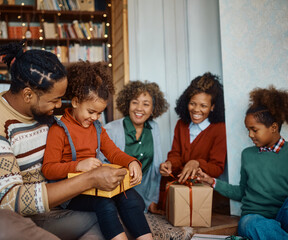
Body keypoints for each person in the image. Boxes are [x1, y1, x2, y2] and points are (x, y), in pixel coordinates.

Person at [0, 41, 128, 240]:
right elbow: (9, 201)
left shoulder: (48, 118)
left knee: (107, 222)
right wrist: (90, 178)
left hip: (47, 213)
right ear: (28, 95)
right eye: (54, 100)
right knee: (1, 226)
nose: (60, 104)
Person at [42, 61, 153, 240]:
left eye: (99, 113)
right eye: (91, 112)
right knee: (104, 202)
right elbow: (48, 169)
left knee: (129, 196)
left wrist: (132, 162)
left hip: (94, 184)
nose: (95, 118)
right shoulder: (59, 129)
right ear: (76, 101)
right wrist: (78, 165)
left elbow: (114, 153)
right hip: (70, 192)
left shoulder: (97, 127)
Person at [197, 86, 288, 240]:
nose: (250, 134)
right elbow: (241, 192)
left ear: (273, 128)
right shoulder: (248, 154)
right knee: (253, 225)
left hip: (282, 215)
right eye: (248, 129)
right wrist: (212, 182)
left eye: (254, 129)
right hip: (254, 217)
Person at [99, 80, 169, 214]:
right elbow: (100, 166)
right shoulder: (111, 129)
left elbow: (155, 170)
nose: (139, 108)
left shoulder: (154, 128)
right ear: (127, 104)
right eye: (135, 102)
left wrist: (151, 201)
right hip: (116, 196)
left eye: (146, 104)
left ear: (153, 108)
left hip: (144, 199)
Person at [159, 72, 226, 209]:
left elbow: (217, 168)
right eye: (192, 104)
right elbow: (175, 154)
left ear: (213, 107)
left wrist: (196, 163)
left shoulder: (219, 129)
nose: (196, 110)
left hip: (200, 190)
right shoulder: (181, 124)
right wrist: (169, 164)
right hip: (177, 185)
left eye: (203, 106)